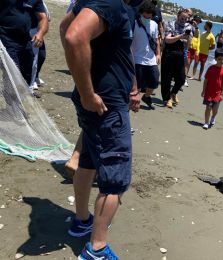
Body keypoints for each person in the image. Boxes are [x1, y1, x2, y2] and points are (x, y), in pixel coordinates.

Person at [60, 0, 140, 259]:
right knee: (114, 180)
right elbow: (73, 36)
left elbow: (64, 27)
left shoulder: (104, 4)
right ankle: (97, 249)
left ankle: (82, 220)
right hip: (106, 106)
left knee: (88, 162)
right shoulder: (111, 4)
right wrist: (87, 92)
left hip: (100, 102)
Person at [0, 0, 49, 98]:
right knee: (13, 74)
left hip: (26, 39)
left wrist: (40, 33)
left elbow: (43, 18)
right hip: (6, 39)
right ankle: (13, 107)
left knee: (27, 73)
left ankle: (20, 100)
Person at [132, 0, 161, 110]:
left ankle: (147, 96)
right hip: (137, 58)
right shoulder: (134, 23)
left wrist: (158, 54)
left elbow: (156, 40)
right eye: (146, 12)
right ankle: (135, 102)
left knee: (154, 81)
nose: (148, 15)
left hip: (151, 58)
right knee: (138, 85)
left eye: (150, 13)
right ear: (141, 11)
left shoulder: (154, 24)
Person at [161, 9, 191, 108]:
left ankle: (173, 93)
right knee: (167, 78)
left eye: (186, 19)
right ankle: (166, 99)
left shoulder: (188, 27)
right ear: (178, 16)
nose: (183, 20)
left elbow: (187, 46)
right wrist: (180, 36)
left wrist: (188, 39)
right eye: (182, 18)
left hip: (180, 53)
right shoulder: (171, 24)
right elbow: (168, 40)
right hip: (169, 52)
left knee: (182, 78)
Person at [201, 48, 223, 130]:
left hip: (217, 94)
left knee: (215, 110)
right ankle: (206, 122)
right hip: (209, 92)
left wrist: (222, 94)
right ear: (215, 59)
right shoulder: (211, 68)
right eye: (219, 59)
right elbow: (206, 80)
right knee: (208, 108)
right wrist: (203, 90)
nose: (222, 61)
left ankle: (213, 117)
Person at [29, 0, 50, 90]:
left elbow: (46, 18)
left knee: (41, 56)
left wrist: (41, 33)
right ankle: (30, 82)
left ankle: (33, 79)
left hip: (35, 32)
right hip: (24, 31)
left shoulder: (38, 2)